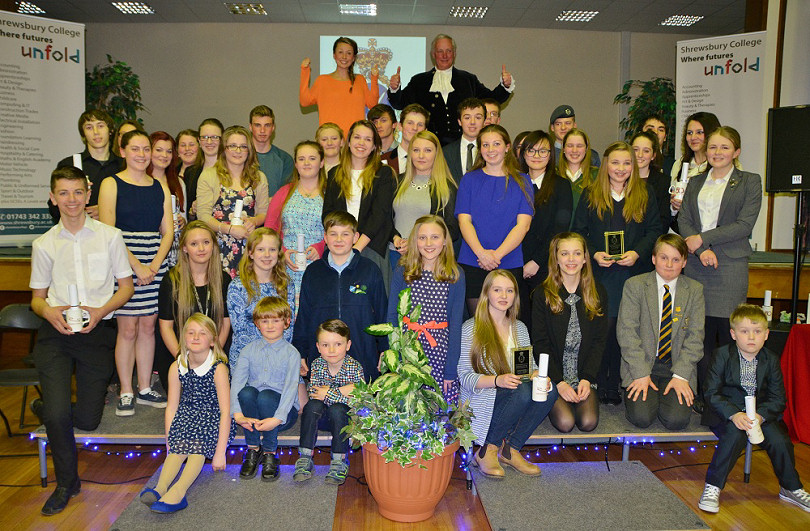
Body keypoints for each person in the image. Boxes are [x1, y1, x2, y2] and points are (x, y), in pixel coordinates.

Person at [30, 166, 134, 516]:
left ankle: (48, 412)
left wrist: (101, 311)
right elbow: (37, 299)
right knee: (60, 414)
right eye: (63, 193)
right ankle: (66, 483)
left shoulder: (110, 236)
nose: (71, 200)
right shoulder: (43, 244)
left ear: (87, 195)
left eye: (77, 192)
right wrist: (50, 313)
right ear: (52, 197)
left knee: (88, 420)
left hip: (97, 331)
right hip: (56, 335)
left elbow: (127, 288)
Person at [677, 126, 762, 416]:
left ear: (736, 152)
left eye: (724, 147)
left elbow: (744, 225)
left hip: (730, 266)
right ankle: (703, 394)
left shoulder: (750, 182)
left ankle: (728, 398)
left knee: (728, 335)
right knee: (698, 334)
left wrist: (705, 239)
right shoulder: (695, 180)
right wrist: (701, 250)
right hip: (698, 265)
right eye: (713, 147)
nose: (717, 152)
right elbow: (685, 221)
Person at [698, 305, 810, 514]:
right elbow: (711, 392)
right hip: (727, 413)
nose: (751, 337)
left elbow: (778, 398)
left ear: (766, 335)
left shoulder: (771, 359)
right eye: (744, 331)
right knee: (733, 435)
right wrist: (734, 414)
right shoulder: (721, 355)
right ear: (733, 334)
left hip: (760, 415)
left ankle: (791, 488)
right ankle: (713, 486)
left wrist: (760, 416)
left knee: (780, 440)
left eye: (757, 332)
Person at [572, 141, 661, 405]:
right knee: (604, 329)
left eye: (626, 163)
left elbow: (655, 230)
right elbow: (578, 232)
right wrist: (593, 253)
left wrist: (637, 253)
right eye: (615, 162)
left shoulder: (645, 193)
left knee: (628, 328)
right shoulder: (591, 193)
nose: (621, 168)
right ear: (605, 165)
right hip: (601, 275)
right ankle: (602, 382)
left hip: (633, 274)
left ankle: (621, 383)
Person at [98, 130, 173, 417]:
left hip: (155, 262)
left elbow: (168, 232)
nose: (142, 155)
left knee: (148, 328)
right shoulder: (111, 184)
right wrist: (135, 266)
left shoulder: (160, 187)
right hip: (123, 261)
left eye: (146, 149)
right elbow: (108, 231)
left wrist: (153, 265)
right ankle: (126, 390)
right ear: (123, 151)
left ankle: (144, 387)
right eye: (136, 149)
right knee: (127, 329)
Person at [458, 269, 557, 477]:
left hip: (514, 393)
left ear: (515, 296)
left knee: (549, 390)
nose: (504, 296)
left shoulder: (519, 327)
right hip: (482, 396)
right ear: (486, 294)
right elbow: (465, 377)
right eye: (497, 290)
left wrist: (539, 375)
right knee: (519, 391)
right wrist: (497, 380)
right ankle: (487, 450)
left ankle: (510, 450)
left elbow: (528, 367)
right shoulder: (471, 328)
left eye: (509, 291)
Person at [139, 314, 234, 513]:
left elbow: (226, 411)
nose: (196, 337)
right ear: (184, 338)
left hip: (212, 417)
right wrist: (169, 440)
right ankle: (160, 488)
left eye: (202, 333)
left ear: (212, 340)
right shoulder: (176, 367)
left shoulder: (218, 369)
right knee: (177, 448)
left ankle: (179, 491)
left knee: (196, 446)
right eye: (191, 333)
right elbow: (172, 407)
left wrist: (220, 452)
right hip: (187, 415)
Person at [617, 234, 705, 430]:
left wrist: (682, 376)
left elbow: (695, 338)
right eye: (664, 258)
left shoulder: (695, 290)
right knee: (641, 418)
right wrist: (640, 374)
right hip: (642, 364)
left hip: (677, 366)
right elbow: (627, 333)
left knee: (676, 421)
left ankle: (668, 393)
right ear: (654, 259)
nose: (669, 264)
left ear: (684, 262)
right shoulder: (635, 286)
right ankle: (646, 396)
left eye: (676, 259)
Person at [293, 211, 387, 381]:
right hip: (323, 358)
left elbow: (382, 313)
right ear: (325, 238)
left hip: (362, 350)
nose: (338, 239)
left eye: (345, 234)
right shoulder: (313, 272)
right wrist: (300, 351)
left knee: (359, 405)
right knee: (319, 406)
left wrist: (385, 348)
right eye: (333, 234)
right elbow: (304, 316)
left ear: (355, 237)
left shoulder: (370, 270)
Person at [532, 232, 607, 433]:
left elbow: (599, 342)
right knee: (566, 423)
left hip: (583, 376)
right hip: (555, 377)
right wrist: (559, 383)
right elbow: (540, 344)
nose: (571, 259)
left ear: (585, 258)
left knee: (588, 422)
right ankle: (555, 400)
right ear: (556, 258)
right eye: (564, 254)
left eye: (576, 253)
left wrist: (587, 379)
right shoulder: (543, 294)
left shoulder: (597, 293)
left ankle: (581, 394)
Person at [455, 124, 533, 315]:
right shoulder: (469, 180)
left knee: (507, 325)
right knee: (479, 326)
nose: (491, 150)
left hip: (508, 260)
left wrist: (496, 256)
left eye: (496, 144)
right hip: (474, 261)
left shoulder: (523, 181)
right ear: (480, 149)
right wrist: (482, 254)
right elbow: (464, 221)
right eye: (485, 145)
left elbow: (523, 226)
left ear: (507, 147)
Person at [388, 216, 465, 403]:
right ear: (415, 241)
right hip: (408, 352)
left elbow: (455, 326)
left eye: (435, 237)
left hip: (439, 353)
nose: (428, 243)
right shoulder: (403, 271)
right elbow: (392, 316)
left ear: (445, 241)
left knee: (438, 415)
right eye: (422, 238)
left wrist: (450, 369)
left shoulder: (454, 275)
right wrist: (396, 356)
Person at [387, 34, 513, 145]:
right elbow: (399, 103)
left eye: (449, 51)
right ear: (433, 54)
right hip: (429, 145)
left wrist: (505, 86)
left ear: (454, 53)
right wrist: (395, 88)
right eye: (440, 51)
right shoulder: (419, 81)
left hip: (462, 145)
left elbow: (491, 100)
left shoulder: (468, 79)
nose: (444, 55)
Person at [231, 296, 300, 481]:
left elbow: (291, 389)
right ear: (257, 324)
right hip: (254, 417)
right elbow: (236, 383)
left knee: (267, 396)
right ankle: (253, 449)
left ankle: (270, 452)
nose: (270, 326)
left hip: (283, 414)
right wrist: (238, 415)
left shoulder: (292, 354)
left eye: (276, 320)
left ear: (286, 323)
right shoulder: (248, 350)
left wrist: (277, 418)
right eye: (264, 320)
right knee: (246, 392)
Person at [157, 221, 231, 393]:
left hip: (214, 352)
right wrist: (183, 358)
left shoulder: (224, 280)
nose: (201, 248)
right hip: (179, 354)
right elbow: (165, 327)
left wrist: (212, 357)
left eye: (206, 242)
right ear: (184, 248)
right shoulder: (171, 280)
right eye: (194, 244)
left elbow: (225, 323)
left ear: (213, 245)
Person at [322, 119, 396, 289]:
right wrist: (343, 244)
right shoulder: (335, 173)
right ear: (348, 142)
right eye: (357, 137)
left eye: (368, 139)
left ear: (374, 147)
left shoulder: (383, 173)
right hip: (339, 248)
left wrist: (356, 249)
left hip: (371, 247)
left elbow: (380, 214)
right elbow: (328, 213)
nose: (361, 143)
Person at [294, 319, 364, 486]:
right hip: (322, 418)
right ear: (318, 347)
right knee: (312, 406)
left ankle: (339, 460)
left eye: (338, 344)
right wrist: (344, 391)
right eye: (325, 345)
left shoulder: (355, 367)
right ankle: (305, 457)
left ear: (348, 345)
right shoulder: (317, 365)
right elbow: (314, 394)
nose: (331, 350)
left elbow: (358, 399)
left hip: (345, 420)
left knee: (339, 409)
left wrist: (329, 392)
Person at [518, 130, 573, 332]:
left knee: (544, 325)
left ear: (551, 155)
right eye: (531, 150)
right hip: (515, 261)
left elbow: (559, 229)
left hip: (545, 265)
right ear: (523, 154)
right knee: (518, 324)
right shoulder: (514, 183)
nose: (536, 155)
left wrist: (537, 261)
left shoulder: (561, 185)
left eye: (543, 151)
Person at [196, 125, 269, 278]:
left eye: (243, 147)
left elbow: (264, 213)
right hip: (218, 247)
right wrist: (228, 229)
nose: (238, 151)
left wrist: (253, 221)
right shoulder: (209, 176)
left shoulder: (259, 177)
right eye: (233, 146)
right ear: (224, 149)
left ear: (249, 150)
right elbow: (202, 216)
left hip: (248, 247)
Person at [264, 141, 327, 302]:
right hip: (287, 267)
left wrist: (320, 247)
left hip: (319, 265)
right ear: (296, 164)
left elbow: (338, 228)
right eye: (301, 159)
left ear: (321, 162)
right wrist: (282, 251)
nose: (306, 163)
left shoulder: (330, 193)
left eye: (312, 158)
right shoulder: (284, 192)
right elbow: (269, 229)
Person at [227, 227, 295, 370]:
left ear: (278, 253)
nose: (267, 255)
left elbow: (289, 325)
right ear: (251, 253)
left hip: (280, 356)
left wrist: (276, 355)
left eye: (272, 250)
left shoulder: (285, 284)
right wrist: (265, 357)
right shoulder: (238, 286)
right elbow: (241, 332)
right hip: (247, 359)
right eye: (260, 249)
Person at [390, 131, 459, 269]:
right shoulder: (396, 181)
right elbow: (385, 218)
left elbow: (453, 230)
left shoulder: (447, 188)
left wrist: (416, 242)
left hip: (428, 259)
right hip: (394, 255)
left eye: (427, 150)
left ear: (436, 154)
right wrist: (395, 238)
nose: (421, 156)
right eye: (416, 150)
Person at [49, 109, 123, 224]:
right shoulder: (69, 165)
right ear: (83, 134)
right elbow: (54, 209)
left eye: (100, 126)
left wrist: (105, 210)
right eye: (89, 127)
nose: (96, 132)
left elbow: (135, 206)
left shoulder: (123, 166)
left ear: (110, 130)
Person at [300, 36, 379, 137]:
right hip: (330, 140)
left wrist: (374, 78)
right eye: (340, 52)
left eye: (349, 53)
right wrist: (305, 71)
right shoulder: (322, 80)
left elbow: (372, 104)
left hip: (354, 140)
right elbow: (304, 101)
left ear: (354, 57)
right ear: (334, 55)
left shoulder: (359, 80)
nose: (344, 57)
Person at [147, 131, 186, 268]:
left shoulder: (178, 183)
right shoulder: (143, 182)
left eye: (169, 151)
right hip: (151, 247)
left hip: (176, 249)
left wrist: (183, 220)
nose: (164, 155)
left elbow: (183, 213)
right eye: (158, 150)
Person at [631, 130, 672, 235]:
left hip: (651, 242)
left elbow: (663, 221)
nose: (640, 155)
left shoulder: (663, 181)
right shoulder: (619, 178)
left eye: (646, 151)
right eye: (635, 150)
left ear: (653, 155)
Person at [249, 105, 294, 197]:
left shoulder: (285, 159)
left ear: (273, 128)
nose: (262, 130)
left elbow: (284, 196)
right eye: (257, 125)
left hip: (274, 210)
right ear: (250, 127)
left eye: (267, 125)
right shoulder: (240, 156)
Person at [186, 118, 225, 220]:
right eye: (204, 137)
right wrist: (192, 211)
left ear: (222, 140)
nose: (209, 141)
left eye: (214, 137)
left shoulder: (231, 171)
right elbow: (188, 216)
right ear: (199, 140)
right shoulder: (190, 173)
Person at [443, 98, 486, 184]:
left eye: (478, 117)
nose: (472, 122)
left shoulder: (491, 151)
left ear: (484, 121)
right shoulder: (446, 152)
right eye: (467, 118)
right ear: (459, 121)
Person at [558, 128, 598, 218]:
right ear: (563, 148)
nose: (574, 150)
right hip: (559, 231)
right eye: (570, 145)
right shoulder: (553, 174)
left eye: (579, 146)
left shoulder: (597, 175)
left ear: (586, 149)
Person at [383, 103, 430, 175]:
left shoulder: (432, 162)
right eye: (410, 123)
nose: (415, 128)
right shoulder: (382, 161)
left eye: (420, 124)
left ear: (425, 130)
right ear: (400, 126)